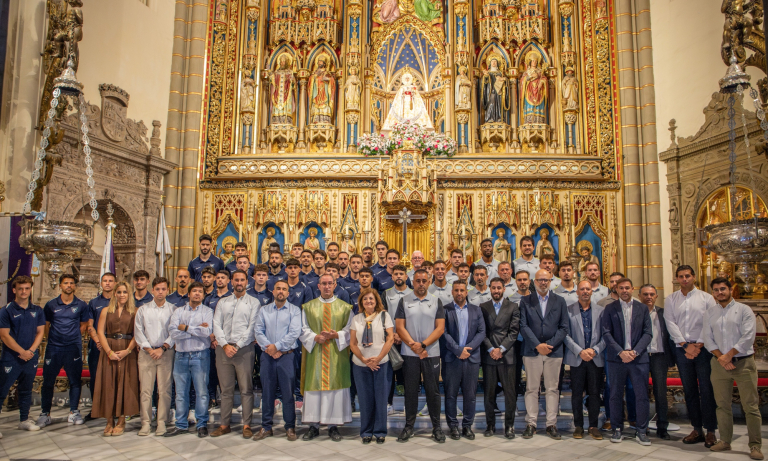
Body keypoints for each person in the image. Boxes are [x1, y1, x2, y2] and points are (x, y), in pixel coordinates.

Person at [704, 278, 762, 460]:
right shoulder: (710, 312)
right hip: (719, 364)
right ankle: (725, 441)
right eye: (716, 290)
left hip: (743, 363)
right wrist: (722, 357)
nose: (719, 292)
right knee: (722, 405)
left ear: (730, 290)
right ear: (712, 293)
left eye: (723, 289)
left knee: (750, 406)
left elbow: (748, 336)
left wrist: (729, 355)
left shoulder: (744, 310)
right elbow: (707, 338)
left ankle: (755, 445)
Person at [664, 265, 718, 447]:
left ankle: (711, 430)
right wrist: (685, 345)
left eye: (687, 276)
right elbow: (670, 322)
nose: (684, 279)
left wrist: (700, 343)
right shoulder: (671, 299)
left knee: (707, 389)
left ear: (693, 277)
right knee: (689, 390)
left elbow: (712, 321)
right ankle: (696, 428)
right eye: (681, 276)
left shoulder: (706, 298)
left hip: (703, 349)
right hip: (682, 349)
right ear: (677, 278)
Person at [299, 273, 354, 442]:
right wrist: (315, 337)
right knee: (314, 389)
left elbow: (350, 330)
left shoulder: (345, 307)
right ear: (318, 286)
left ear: (335, 284)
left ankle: (333, 427)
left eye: (330, 283)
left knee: (334, 390)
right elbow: (302, 328)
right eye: (324, 283)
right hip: (315, 354)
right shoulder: (308, 307)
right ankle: (313, 426)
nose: (327, 286)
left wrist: (336, 335)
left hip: (336, 356)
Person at [395, 269, 446, 443]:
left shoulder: (436, 301)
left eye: (424, 280)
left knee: (433, 392)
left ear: (429, 281)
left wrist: (423, 345)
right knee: (410, 391)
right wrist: (414, 346)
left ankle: (437, 427)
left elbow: (440, 328)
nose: (421, 283)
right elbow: (400, 327)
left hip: (431, 353)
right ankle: (409, 427)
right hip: (409, 354)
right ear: (413, 281)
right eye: (418, 280)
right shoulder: (404, 301)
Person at [519, 269, 569, 440]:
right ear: (534, 281)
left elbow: (564, 327)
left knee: (552, 389)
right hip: (532, 351)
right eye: (540, 280)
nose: (543, 283)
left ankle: (551, 424)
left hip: (553, 352)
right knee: (532, 388)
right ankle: (531, 423)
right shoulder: (526, 301)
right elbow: (523, 326)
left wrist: (550, 345)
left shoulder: (559, 301)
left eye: (546, 280)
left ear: (550, 281)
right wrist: (537, 345)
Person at [601, 278, 652, 446]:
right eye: (621, 288)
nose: (624, 290)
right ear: (616, 289)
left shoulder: (642, 308)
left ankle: (642, 430)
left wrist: (635, 352)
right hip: (616, 359)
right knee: (615, 395)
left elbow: (647, 333)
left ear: (632, 289)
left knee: (641, 396)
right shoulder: (610, 308)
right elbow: (606, 333)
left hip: (638, 359)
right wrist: (621, 352)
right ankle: (617, 429)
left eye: (627, 288)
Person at [211, 270, 260, 439]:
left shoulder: (254, 302)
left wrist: (237, 345)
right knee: (226, 390)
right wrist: (224, 345)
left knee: (246, 389)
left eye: (242, 280)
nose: (239, 282)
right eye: (236, 280)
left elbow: (252, 327)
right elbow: (216, 324)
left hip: (244, 350)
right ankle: (224, 424)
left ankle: (247, 425)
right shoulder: (222, 302)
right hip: (223, 350)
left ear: (247, 282)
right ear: (231, 281)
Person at [37, 274, 89, 428]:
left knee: (74, 381)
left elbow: (84, 324)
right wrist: (55, 337)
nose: (69, 285)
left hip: (73, 347)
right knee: (48, 382)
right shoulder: (51, 305)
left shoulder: (81, 305)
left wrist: (72, 336)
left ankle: (74, 412)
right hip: (54, 347)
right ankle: (45, 413)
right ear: (60, 285)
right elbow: (46, 325)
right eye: (66, 283)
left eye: (71, 283)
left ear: (75, 286)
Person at [253, 280, 302, 442]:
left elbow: (294, 332)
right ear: (273, 292)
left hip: (286, 356)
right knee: (267, 392)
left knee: (288, 393)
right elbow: (258, 331)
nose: (281, 291)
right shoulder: (264, 310)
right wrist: (270, 348)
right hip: (267, 356)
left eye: (284, 289)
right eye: (278, 289)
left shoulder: (294, 311)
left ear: (288, 293)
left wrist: (277, 347)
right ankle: (266, 427)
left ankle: (290, 427)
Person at [165, 282, 214, 437]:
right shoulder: (178, 311)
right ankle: (181, 424)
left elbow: (207, 332)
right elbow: (173, 333)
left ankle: (201, 424)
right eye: (194, 291)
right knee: (180, 393)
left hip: (200, 356)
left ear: (203, 295)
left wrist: (185, 328)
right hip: (181, 356)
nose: (197, 294)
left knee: (202, 392)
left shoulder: (208, 311)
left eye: (200, 291)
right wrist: (196, 330)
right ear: (189, 293)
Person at [92, 281, 140, 436]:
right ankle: (109, 421)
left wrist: (127, 350)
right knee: (109, 384)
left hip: (127, 350)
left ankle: (121, 420)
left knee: (125, 384)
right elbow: (100, 332)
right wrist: (109, 352)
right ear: (114, 294)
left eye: (125, 292)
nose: (122, 295)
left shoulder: (135, 311)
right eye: (119, 292)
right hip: (110, 349)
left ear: (129, 294)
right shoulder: (106, 310)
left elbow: (137, 333)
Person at [0, 276, 45, 433]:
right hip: (11, 357)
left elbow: (41, 332)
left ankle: (24, 420)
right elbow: (4, 335)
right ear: (14, 290)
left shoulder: (37, 310)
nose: (24, 291)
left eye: (27, 288)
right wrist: (21, 352)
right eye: (20, 288)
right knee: (2, 390)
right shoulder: (6, 311)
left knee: (26, 390)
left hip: (30, 356)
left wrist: (31, 351)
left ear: (30, 289)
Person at [349, 288, 395, 444]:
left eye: (371, 299)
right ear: (361, 302)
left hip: (381, 363)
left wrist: (378, 358)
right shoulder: (356, 319)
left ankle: (380, 431)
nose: (368, 301)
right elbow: (353, 343)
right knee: (365, 399)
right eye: (365, 299)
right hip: (360, 365)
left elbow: (390, 339)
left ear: (376, 301)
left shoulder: (384, 316)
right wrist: (363, 359)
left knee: (381, 398)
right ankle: (366, 432)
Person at [442, 281, 485, 441]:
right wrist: (458, 350)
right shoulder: (446, 310)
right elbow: (443, 332)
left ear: (467, 292)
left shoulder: (476, 310)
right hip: (452, 358)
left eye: (462, 290)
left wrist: (467, 349)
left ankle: (467, 425)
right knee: (450, 394)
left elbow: (481, 332)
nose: (459, 293)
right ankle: (452, 426)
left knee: (470, 395)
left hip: (471, 358)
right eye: (456, 290)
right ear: (452, 292)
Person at [564, 280, 605, 440]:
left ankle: (593, 426)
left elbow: (606, 335)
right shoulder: (568, 311)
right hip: (578, 358)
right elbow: (565, 334)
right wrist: (580, 351)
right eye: (582, 289)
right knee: (576, 394)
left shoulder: (601, 311)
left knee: (595, 393)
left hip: (595, 358)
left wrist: (594, 350)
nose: (585, 291)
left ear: (591, 291)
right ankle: (578, 426)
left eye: (588, 289)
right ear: (577, 292)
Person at [134, 276, 176, 436]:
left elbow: (174, 333)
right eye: (157, 289)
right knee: (145, 390)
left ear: (167, 290)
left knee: (164, 390)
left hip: (165, 353)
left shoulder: (173, 310)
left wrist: (163, 348)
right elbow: (138, 331)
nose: (160, 292)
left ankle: (161, 423)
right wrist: (149, 349)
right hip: (146, 353)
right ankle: (145, 423)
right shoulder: (143, 309)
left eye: (163, 289)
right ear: (152, 290)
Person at [479, 277, 520, 439]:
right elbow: (482, 331)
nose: (496, 291)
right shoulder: (483, 307)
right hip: (489, 355)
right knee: (489, 393)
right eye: (493, 288)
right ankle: (490, 425)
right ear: (490, 289)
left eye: (499, 288)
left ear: (504, 289)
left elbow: (514, 332)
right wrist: (491, 348)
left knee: (510, 393)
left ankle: (509, 426)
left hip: (507, 355)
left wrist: (501, 349)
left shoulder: (513, 306)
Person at [638, 284, 675, 440]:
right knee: (642, 393)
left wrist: (672, 358)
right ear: (639, 296)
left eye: (652, 294)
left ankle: (662, 427)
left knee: (660, 392)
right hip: (641, 357)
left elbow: (670, 336)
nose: (649, 297)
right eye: (645, 294)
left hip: (659, 356)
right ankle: (643, 426)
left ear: (656, 296)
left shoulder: (664, 313)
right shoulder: (636, 313)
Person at [84, 272, 116, 422]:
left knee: (114, 378)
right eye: (105, 281)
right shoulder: (93, 302)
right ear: (101, 283)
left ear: (115, 283)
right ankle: (96, 409)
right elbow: (90, 325)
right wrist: (97, 340)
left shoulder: (119, 301)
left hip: (114, 344)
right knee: (96, 378)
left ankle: (115, 408)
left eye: (110, 281)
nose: (108, 283)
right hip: (97, 346)